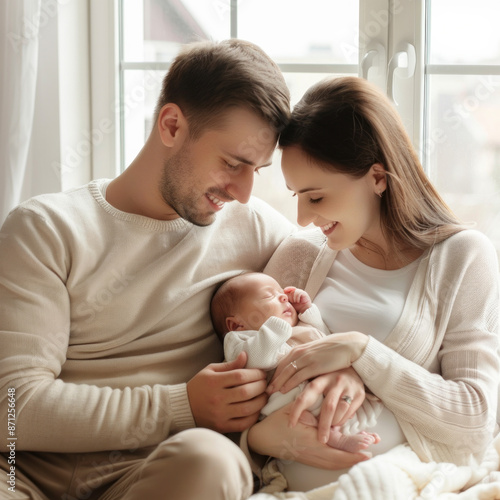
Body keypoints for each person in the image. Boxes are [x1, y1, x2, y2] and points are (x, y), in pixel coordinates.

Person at [0, 39, 305, 500]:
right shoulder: (46, 228)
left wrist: (347, 357)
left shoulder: (256, 228)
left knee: (214, 461)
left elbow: (354, 262)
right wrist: (181, 405)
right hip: (25, 476)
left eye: (256, 171)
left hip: (157, 476)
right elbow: (12, 412)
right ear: (171, 125)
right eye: (232, 163)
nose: (243, 191)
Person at [244, 76, 500, 492]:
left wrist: (361, 353)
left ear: (377, 177)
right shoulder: (301, 254)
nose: (304, 218)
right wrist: (258, 439)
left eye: (317, 197)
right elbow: (244, 380)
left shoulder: (463, 257)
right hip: (283, 486)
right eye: (296, 197)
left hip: (390, 483)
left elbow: (473, 422)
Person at [210, 271, 381, 457]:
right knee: (302, 416)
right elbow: (257, 359)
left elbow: (321, 337)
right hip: (282, 403)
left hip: (319, 388)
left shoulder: (297, 330)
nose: (283, 296)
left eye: (281, 292)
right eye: (269, 296)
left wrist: (307, 311)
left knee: (337, 402)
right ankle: (336, 438)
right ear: (236, 325)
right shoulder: (239, 340)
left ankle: (343, 429)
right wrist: (277, 324)